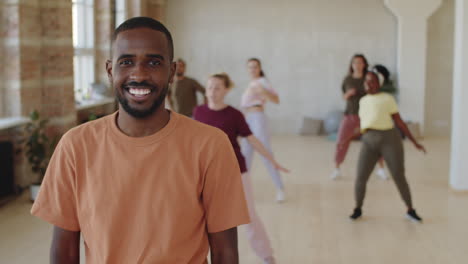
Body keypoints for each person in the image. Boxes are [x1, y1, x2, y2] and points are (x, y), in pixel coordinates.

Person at [31, 17, 250, 264]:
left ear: (172, 72)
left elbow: (225, 253)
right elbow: (63, 251)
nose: (139, 74)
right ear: (110, 70)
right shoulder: (75, 146)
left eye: (154, 62)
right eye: (126, 62)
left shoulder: (211, 145)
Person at [194, 73, 290, 264]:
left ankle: (267, 256)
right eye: (210, 87)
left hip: (236, 172)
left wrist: (272, 160)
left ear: (226, 90)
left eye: (217, 87)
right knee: (201, 219)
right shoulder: (199, 112)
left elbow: (252, 139)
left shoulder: (234, 115)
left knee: (250, 216)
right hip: (207, 174)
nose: (212, 91)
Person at [341, 71, 426, 222]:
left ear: (378, 84)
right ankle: (358, 208)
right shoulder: (363, 101)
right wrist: (347, 139)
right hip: (368, 140)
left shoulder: (387, 99)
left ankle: (410, 209)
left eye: (372, 81)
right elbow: (363, 125)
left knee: (398, 175)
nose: (368, 83)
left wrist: (414, 142)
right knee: (361, 176)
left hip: (389, 139)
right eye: (366, 81)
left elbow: (399, 122)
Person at [331, 54, 387, 180]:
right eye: (355, 62)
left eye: (360, 62)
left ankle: (381, 169)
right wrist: (349, 93)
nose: (357, 65)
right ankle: (336, 169)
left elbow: (376, 93)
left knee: (376, 142)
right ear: (352, 65)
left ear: (364, 64)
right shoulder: (347, 79)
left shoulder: (369, 78)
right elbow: (344, 96)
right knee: (341, 141)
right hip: (350, 115)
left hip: (367, 116)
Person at [240, 58, 286, 202]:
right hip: (248, 118)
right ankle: (241, 190)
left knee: (265, 152)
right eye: (250, 67)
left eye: (255, 67)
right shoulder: (252, 83)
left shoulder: (262, 82)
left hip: (257, 118)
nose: (252, 70)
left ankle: (280, 189)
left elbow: (276, 99)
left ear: (259, 68)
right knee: (245, 155)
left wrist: (262, 91)